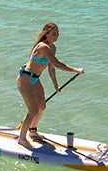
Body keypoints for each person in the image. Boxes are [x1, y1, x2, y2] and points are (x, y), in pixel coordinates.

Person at [13, 22, 84, 150]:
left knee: (42, 106)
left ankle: (33, 131)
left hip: (35, 79)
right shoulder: (43, 47)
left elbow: (51, 68)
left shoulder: (53, 48)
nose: (56, 36)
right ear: (46, 33)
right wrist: (75, 70)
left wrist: (56, 86)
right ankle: (22, 139)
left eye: (58, 33)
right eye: (54, 33)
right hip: (26, 78)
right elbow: (58, 64)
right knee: (33, 110)